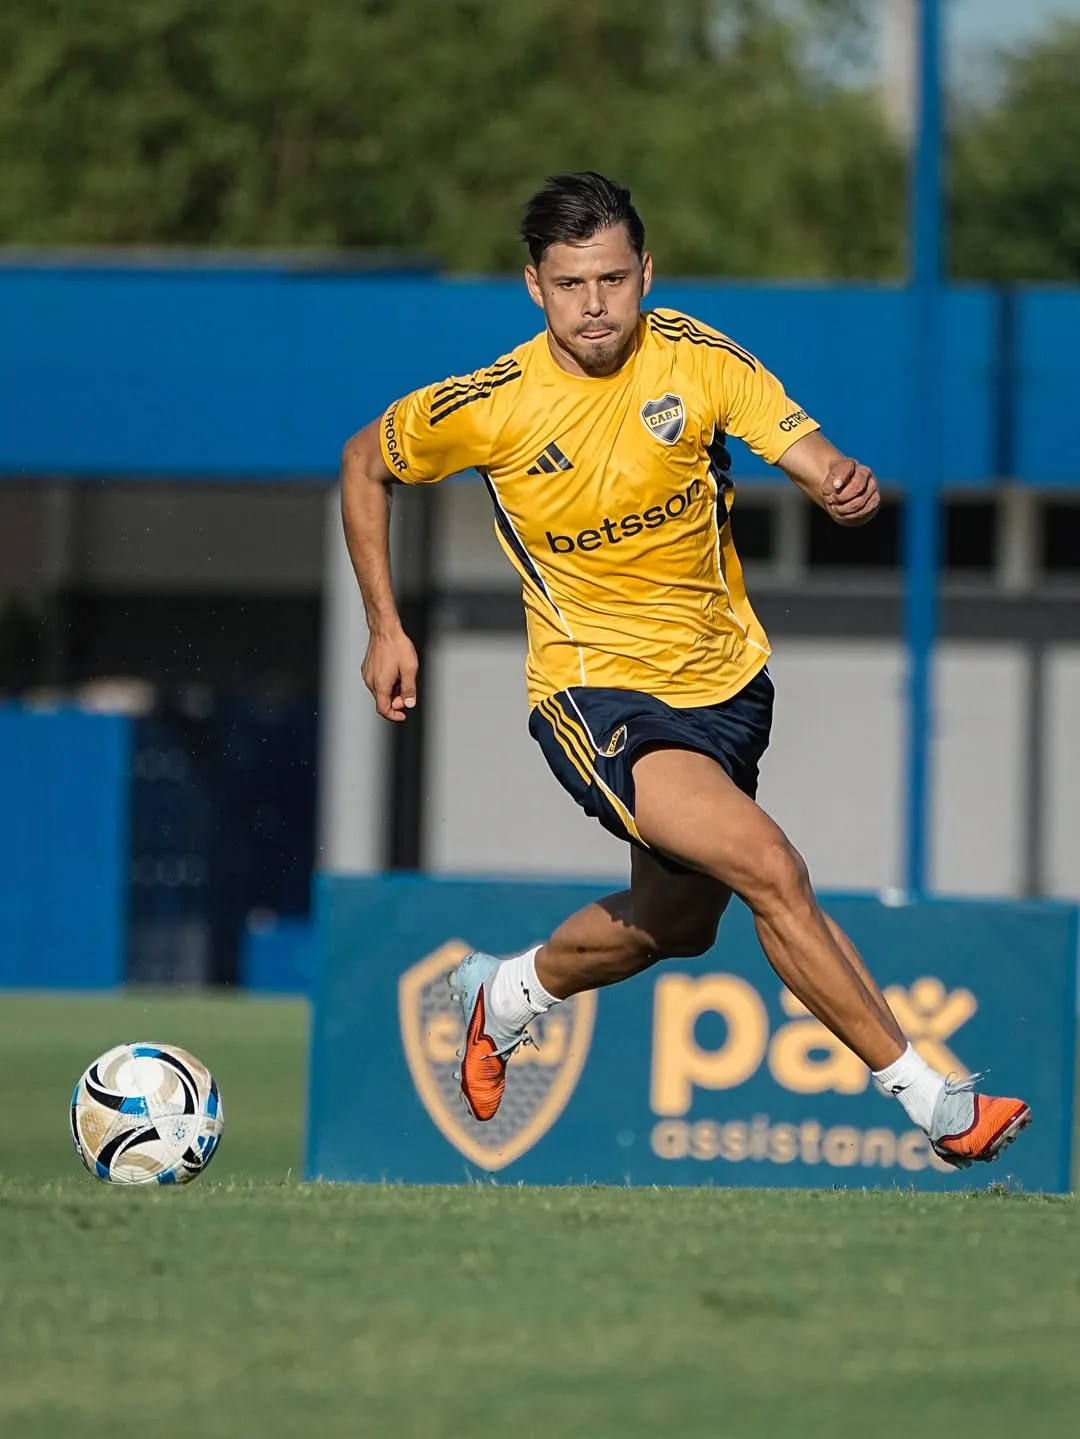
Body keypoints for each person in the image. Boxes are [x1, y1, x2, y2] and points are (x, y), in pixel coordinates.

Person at [341, 170, 1030, 1169]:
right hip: (594, 692)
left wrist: (838, 482)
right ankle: (935, 1100)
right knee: (769, 866)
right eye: (572, 284)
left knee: (676, 922)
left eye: (614, 280)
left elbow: (808, 451)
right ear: (534, 286)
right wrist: (384, 625)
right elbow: (365, 461)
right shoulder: (490, 405)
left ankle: (508, 990)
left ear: (645, 274)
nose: (595, 305)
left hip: (728, 691)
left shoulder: (695, 359)